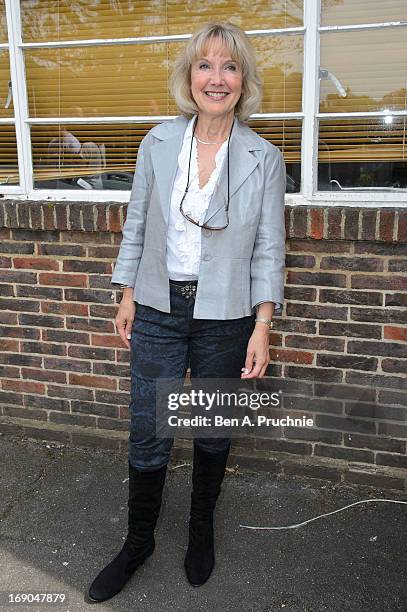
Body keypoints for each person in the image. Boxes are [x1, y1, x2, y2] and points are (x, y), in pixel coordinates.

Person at [87, 21, 286, 603]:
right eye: (205, 65)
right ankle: (138, 543)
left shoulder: (263, 157)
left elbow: (270, 249)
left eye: (228, 66)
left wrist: (262, 326)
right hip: (158, 306)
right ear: (189, 77)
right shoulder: (158, 142)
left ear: (243, 79)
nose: (216, 78)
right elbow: (139, 223)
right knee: (149, 430)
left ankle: (200, 533)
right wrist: (126, 292)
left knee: (212, 430)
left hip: (227, 315)